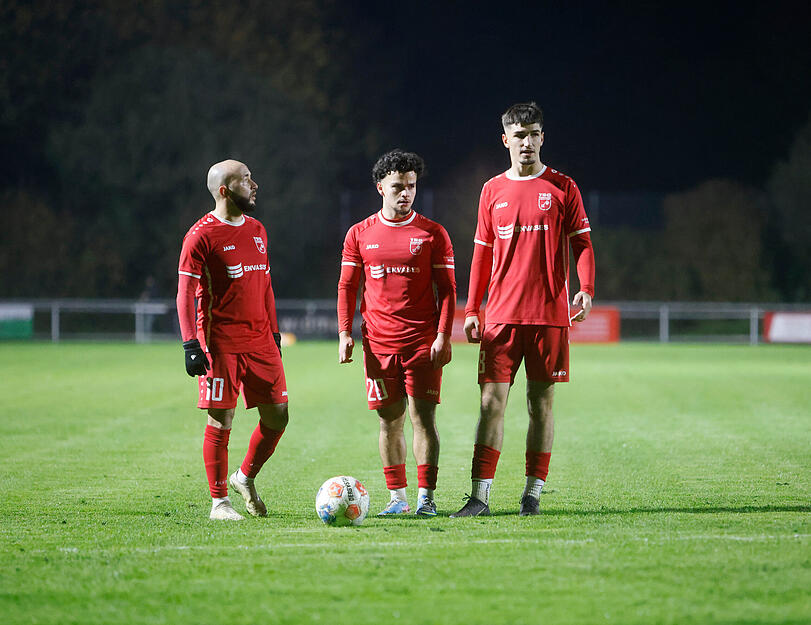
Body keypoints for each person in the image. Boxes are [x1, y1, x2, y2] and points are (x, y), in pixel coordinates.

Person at [450, 102, 595, 517]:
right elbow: (481, 253)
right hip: (501, 316)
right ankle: (480, 497)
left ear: (542, 137)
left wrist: (586, 288)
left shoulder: (563, 187)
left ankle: (532, 494)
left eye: (533, 133)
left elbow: (582, 243)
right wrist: (472, 308)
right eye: (519, 135)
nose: (526, 142)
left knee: (540, 406)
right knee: (490, 403)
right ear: (506, 140)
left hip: (549, 314)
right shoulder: (492, 190)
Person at [337, 150, 456, 517]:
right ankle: (398, 500)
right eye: (397, 187)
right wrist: (344, 332)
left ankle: (426, 499)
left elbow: (448, 290)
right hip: (378, 344)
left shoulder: (433, 234)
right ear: (380, 188)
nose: (405, 193)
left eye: (411, 186)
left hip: (422, 343)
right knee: (389, 420)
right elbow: (347, 286)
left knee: (424, 419)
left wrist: (442, 336)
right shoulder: (360, 234)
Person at [176, 159, 288, 521]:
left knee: (279, 418)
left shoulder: (257, 229)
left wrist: (273, 330)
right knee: (220, 421)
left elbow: (266, 284)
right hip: (220, 342)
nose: (254, 184)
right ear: (225, 190)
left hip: (261, 342)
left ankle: (245, 477)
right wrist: (191, 345)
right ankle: (219, 502)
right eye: (245, 179)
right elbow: (184, 293)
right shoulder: (200, 236)